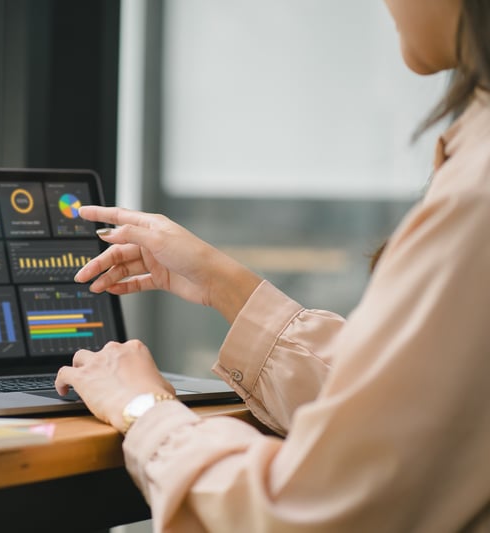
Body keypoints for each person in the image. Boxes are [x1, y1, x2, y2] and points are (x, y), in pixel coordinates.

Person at [54, 0, 490, 530]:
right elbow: (418, 402)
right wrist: (222, 284)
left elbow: (301, 512)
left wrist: (141, 408)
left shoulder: (477, 196)